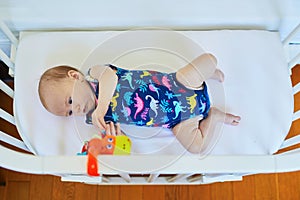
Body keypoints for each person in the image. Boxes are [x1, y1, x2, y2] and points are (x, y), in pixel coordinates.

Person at [38, 53, 241, 153]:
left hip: (178, 83)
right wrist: (115, 140)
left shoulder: (95, 75)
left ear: (75, 76)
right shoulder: (96, 119)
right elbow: (125, 142)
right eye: (69, 113)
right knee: (197, 147)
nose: (76, 109)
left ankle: (209, 74)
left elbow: (111, 77)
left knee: (208, 59)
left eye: (70, 101)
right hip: (177, 120)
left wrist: (101, 106)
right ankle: (213, 117)